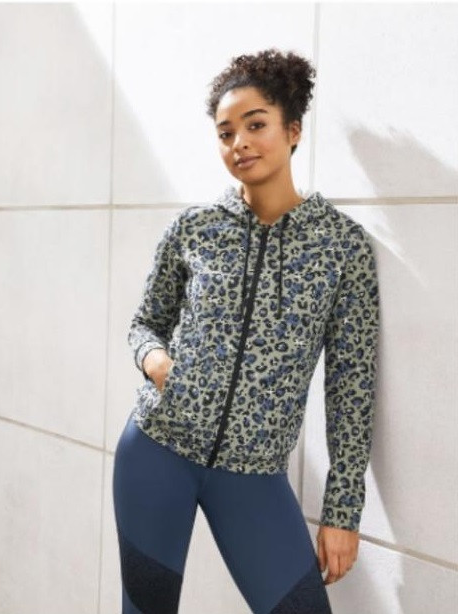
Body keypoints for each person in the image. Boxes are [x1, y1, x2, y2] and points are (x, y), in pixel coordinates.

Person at [112, 48, 380, 614]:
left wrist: (343, 511)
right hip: (157, 451)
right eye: (226, 132)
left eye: (256, 125)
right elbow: (145, 324)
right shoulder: (195, 228)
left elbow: (352, 387)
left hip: (253, 476)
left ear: (293, 130)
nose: (240, 143)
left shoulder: (342, 248)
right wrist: (156, 362)